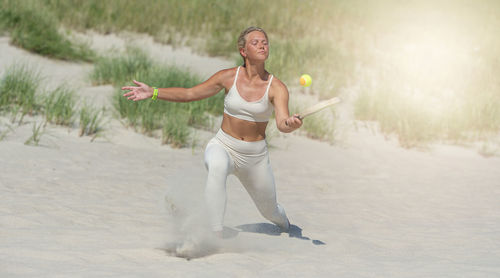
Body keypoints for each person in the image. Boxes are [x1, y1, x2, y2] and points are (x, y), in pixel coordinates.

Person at [121, 26, 302, 237]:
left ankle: (286, 225)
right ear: (243, 51)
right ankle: (214, 232)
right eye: (256, 42)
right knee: (217, 166)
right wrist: (154, 92)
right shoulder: (227, 77)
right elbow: (190, 93)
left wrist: (291, 124)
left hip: (255, 157)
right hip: (224, 145)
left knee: (270, 211)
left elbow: (282, 123)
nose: (262, 45)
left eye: (265, 42)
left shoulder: (277, 87)